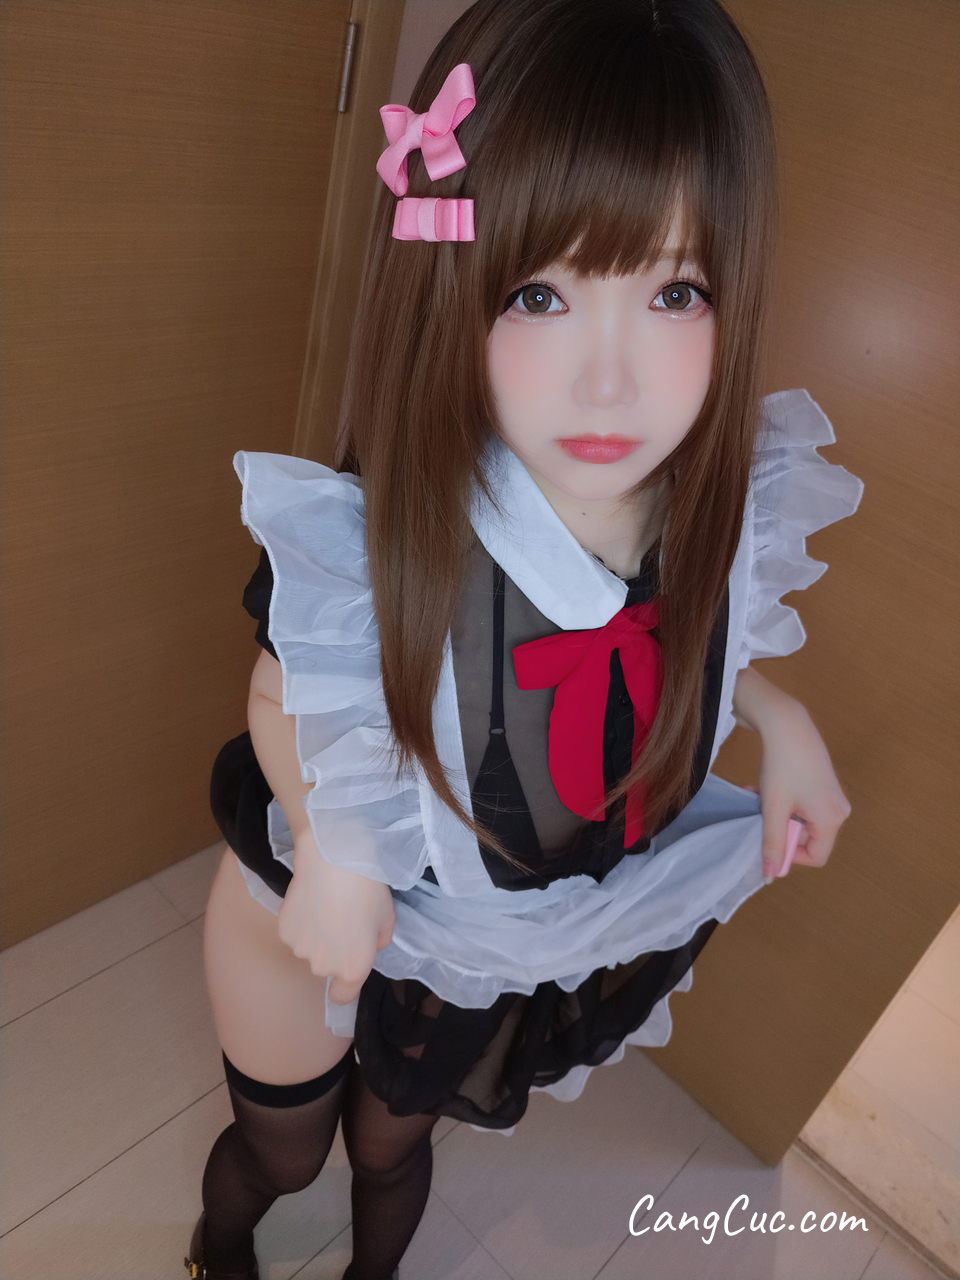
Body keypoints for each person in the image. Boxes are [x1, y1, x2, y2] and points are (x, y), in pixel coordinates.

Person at [185, 1, 863, 1277]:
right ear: (454, 275)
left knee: (390, 1150)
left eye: (674, 291)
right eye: (541, 292)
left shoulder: (714, 502)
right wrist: (332, 846)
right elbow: (283, 695)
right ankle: (219, 1254)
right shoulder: (382, 532)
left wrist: (781, 719)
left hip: (478, 942)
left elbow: (688, 645)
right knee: (284, 1153)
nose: (610, 381)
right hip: (315, 903)